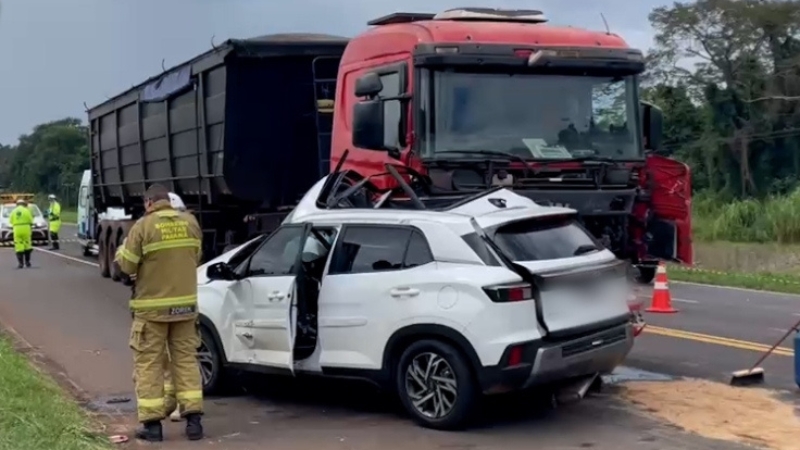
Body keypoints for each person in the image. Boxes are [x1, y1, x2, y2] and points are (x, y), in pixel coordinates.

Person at [115, 184, 204, 442]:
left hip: (151, 311)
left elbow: (127, 265)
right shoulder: (191, 223)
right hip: (186, 309)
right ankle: (194, 423)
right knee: (186, 361)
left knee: (149, 364)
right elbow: (195, 257)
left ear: (148, 202)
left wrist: (121, 252)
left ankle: (152, 426)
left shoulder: (143, 226)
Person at [10, 198, 33, 268]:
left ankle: (20, 263)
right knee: (27, 244)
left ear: (17, 204)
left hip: (17, 228)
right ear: (23, 204)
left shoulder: (13, 211)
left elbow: (10, 221)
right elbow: (31, 220)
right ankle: (27, 262)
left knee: (18, 246)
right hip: (26, 228)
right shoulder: (27, 210)